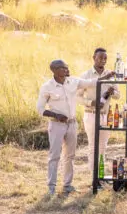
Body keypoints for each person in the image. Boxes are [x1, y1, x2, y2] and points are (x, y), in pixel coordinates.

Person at [36, 59, 115, 195]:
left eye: (67, 67)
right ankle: (51, 187)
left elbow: (91, 82)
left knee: (70, 156)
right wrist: (56, 115)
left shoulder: (73, 81)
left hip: (72, 124)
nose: (67, 70)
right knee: (54, 156)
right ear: (55, 70)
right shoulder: (47, 87)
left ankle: (67, 185)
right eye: (64, 68)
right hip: (56, 125)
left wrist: (106, 77)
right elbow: (40, 108)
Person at [76, 48, 120, 189]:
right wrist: (91, 102)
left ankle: (100, 176)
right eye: (100, 58)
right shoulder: (86, 75)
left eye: (105, 58)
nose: (103, 60)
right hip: (91, 114)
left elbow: (118, 95)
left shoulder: (110, 75)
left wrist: (112, 92)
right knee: (93, 147)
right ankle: (94, 179)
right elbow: (77, 96)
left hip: (106, 116)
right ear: (93, 57)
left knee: (103, 148)